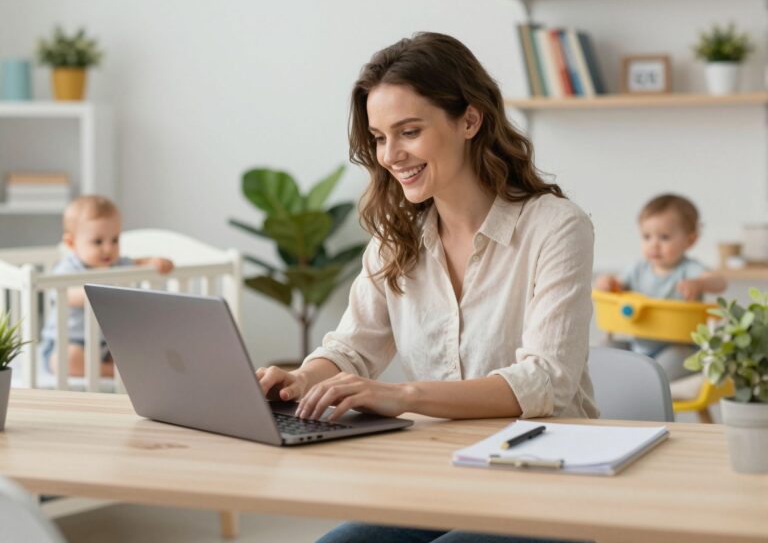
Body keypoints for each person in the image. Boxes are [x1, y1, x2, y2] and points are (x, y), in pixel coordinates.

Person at [258, 32, 596, 543]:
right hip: (441, 479)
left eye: (409, 131)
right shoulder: (396, 239)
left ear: (469, 120)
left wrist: (402, 395)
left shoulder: (555, 227)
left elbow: (546, 380)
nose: (391, 155)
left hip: (543, 481)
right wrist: (303, 381)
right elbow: (352, 348)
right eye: (378, 137)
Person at [595, 193, 727, 380]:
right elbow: (615, 285)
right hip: (638, 345)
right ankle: (630, 383)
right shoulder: (638, 269)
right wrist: (606, 282)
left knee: (664, 366)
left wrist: (700, 283)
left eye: (664, 237)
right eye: (647, 236)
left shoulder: (689, 270)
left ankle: (642, 386)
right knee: (602, 350)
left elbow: (720, 282)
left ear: (690, 240)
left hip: (680, 347)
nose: (654, 244)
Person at [39, 195, 174, 378]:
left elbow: (137, 263)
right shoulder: (68, 268)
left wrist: (153, 261)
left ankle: (115, 368)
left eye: (115, 240)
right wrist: (101, 292)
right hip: (67, 342)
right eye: (98, 242)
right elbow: (67, 294)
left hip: (105, 343)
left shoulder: (117, 265)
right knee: (68, 359)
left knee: (135, 352)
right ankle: (110, 372)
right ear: (71, 243)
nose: (108, 249)